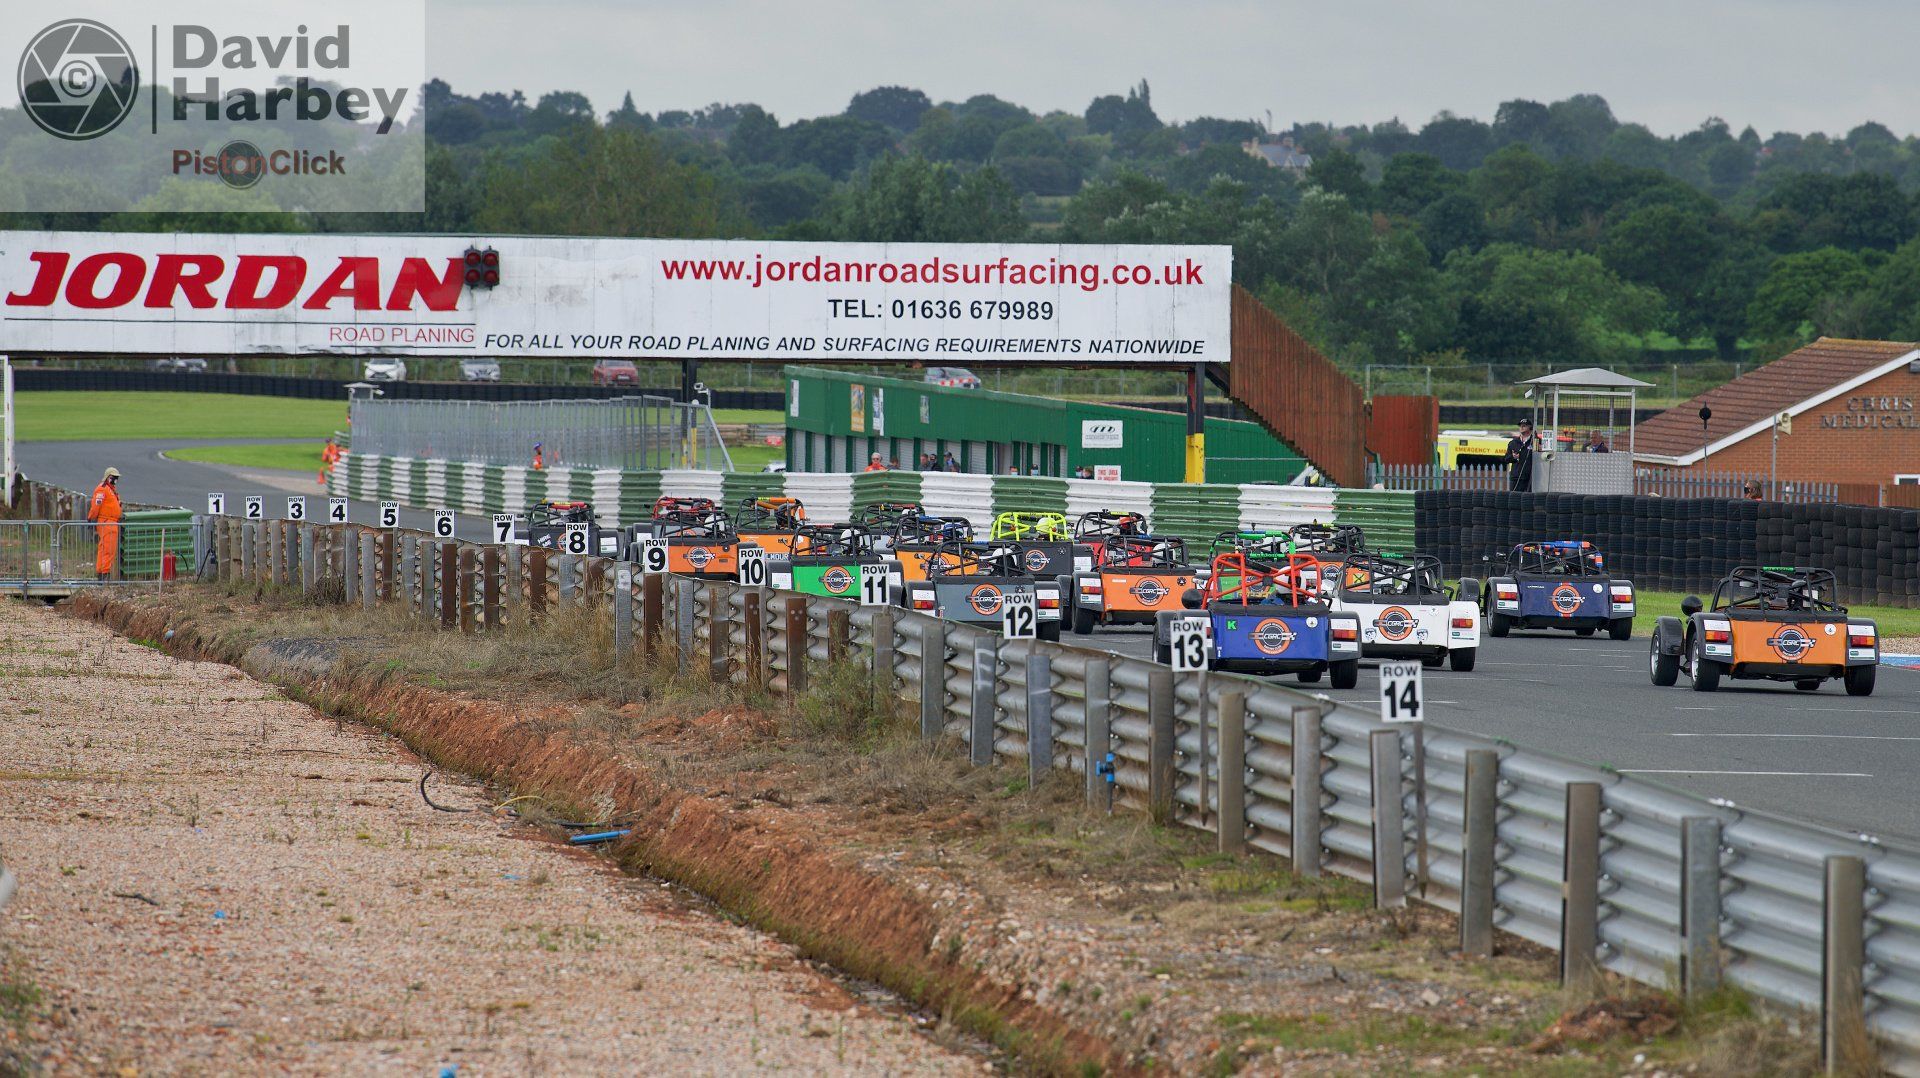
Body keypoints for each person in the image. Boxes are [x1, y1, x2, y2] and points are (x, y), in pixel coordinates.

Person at [87, 467, 122, 579]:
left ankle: (101, 574)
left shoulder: (111, 490)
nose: (116, 480)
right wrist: (91, 517)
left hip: (111, 522)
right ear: (108, 477)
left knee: (105, 550)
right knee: (108, 550)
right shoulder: (102, 489)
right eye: (114, 477)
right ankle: (104, 576)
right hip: (107, 523)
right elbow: (96, 505)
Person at [1505, 420, 1537, 492]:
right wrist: (1513, 457)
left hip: (1530, 478)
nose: (1521, 427)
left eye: (1524, 425)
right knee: (1514, 498)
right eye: (1520, 425)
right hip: (1516, 477)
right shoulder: (1513, 442)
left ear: (1530, 427)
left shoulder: (1536, 441)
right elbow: (1506, 459)